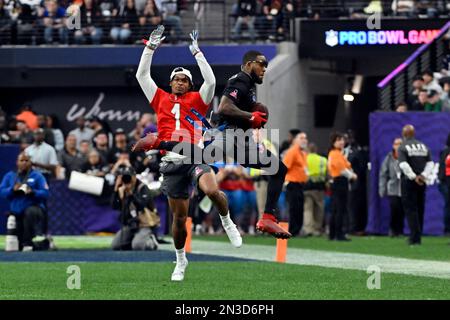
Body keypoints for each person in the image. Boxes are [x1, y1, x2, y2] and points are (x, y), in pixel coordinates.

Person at [135, 48, 292, 239]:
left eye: (184, 80)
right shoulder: (240, 80)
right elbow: (224, 107)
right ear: (249, 64)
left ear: (190, 84)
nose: (264, 69)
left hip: (232, 139)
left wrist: (255, 114)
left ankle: (265, 217)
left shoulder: (208, 95)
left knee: (277, 169)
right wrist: (251, 115)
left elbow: (213, 87)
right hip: (219, 139)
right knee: (181, 213)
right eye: (262, 64)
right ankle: (160, 143)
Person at [134, 25, 242, 281]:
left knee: (212, 190)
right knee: (179, 218)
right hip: (172, 161)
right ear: (170, 83)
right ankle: (181, 260)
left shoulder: (198, 99)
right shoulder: (159, 97)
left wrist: (197, 53)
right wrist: (150, 47)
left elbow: (212, 81)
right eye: (176, 79)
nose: (180, 82)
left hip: (195, 156)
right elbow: (142, 75)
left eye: (184, 80)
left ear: (190, 84)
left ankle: (227, 222)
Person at [0, 152, 54, 251]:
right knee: (18, 246)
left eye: (27, 160)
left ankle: (27, 242)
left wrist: (33, 192)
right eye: (22, 160)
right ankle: (44, 244)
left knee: (29, 212)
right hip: (16, 210)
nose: (24, 163)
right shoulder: (10, 176)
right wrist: (12, 190)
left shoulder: (37, 176)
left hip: (34, 208)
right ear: (17, 162)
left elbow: (46, 193)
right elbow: (1, 192)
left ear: (31, 162)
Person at [398, 124, 434, 245]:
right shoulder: (423, 146)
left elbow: (403, 165)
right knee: (420, 208)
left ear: (404, 135)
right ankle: (418, 235)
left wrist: (414, 177)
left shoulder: (403, 147)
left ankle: (414, 237)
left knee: (410, 209)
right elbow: (430, 163)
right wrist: (423, 176)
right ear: (414, 134)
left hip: (409, 181)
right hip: (422, 182)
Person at [111, 165, 159, 250]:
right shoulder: (122, 189)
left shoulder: (142, 187)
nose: (127, 179)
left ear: (134, 176)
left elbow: (141, 206)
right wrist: (116, 189)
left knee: (137, 246)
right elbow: (114, 206)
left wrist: (130, 194)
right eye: (124, 177)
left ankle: (151, 240)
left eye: (129, 176)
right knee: (116, 246)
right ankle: (133, 239)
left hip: (144, 224)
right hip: (130, 224)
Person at [327, 132, 357, 241]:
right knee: (340, 209)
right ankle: (339, 234)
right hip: (339, 182)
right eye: (338, 140)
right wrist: (352, 175)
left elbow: (346, 166)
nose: (341, 142)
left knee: (336, 209)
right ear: (333, 142)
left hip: (338, 182)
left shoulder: (337, 153)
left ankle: (333, 234)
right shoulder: (335, 153)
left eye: (342, 140)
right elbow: (342, 169)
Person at [283, 132, 308, 236]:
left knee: (299, 208)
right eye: (301, 138)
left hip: (300, 184)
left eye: (305, 138)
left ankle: (297, 230)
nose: (304, 140)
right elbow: (285, 166)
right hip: (293, 183)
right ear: (295, 140)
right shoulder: (292, 152)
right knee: (294, 208)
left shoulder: (303, 153)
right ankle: (293, 230)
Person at [379, 137, 404, 237]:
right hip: (392, 188)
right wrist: (382, 188)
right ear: (393, 146)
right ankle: (393, 230)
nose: (398, 146)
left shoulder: (405, 157)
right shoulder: (389, 158)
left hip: (403, 188)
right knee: (394, 209)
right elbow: (383, 174)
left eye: (400, 144)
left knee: (402, 210)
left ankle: (400, 230)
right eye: (396, 144)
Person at [303, 142, 327, 236]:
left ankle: (308, 229)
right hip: (320, 187)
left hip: (307, 187)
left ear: (308, 150)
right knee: (319, 208)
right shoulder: (323, 159)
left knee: (308, 209)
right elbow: (327, 173)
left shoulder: (304, 159)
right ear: (316, 150)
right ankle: (317, 229)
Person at [438, 132, 450, 235]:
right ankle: (447, 229)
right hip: (446, 182)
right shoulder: (447, 152)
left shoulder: (444, 151)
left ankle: (447, 229)